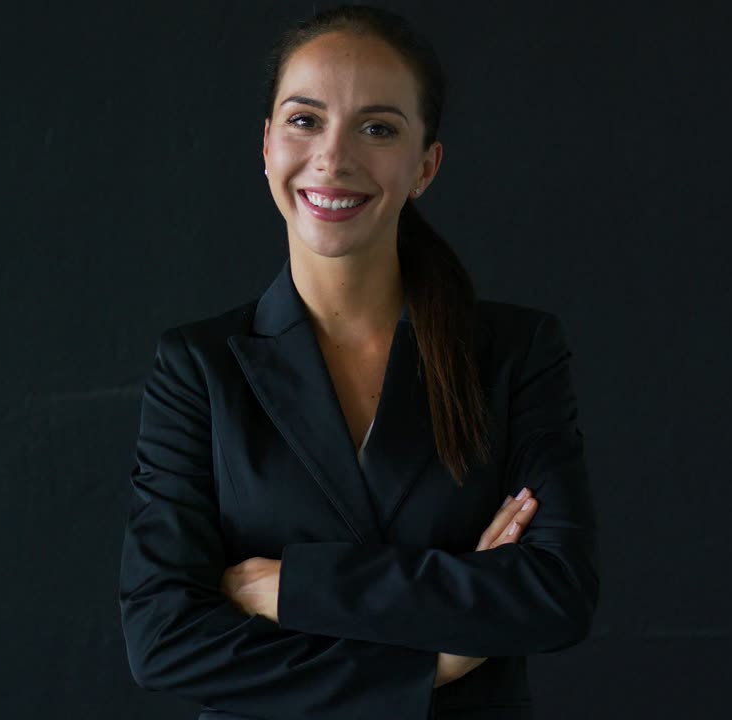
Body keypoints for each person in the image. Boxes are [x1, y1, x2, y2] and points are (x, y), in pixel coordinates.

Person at [118, 5, 599, 719]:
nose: (333, 158)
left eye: (377, 129)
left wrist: (295, 587)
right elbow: (164, 638)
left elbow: (555, 592)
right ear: (266, 144)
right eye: (305, 120)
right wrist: (431, 665)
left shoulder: (514, 351)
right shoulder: (199, 367)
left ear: (425, 165)